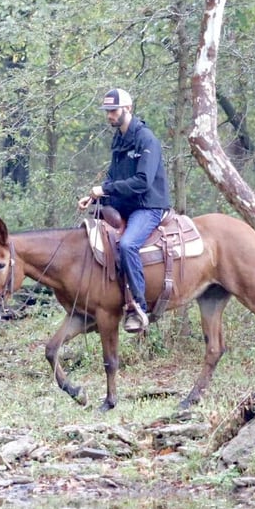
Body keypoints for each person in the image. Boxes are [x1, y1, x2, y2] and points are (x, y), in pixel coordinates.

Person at [78, 88, 171, 333]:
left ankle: (138, 307)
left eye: (113, 110)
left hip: (148, 205)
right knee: (92, 231)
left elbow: (143, 181)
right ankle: (99, 298)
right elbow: (113, 175)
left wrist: (105, 189)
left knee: (128, 245)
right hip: (127, 203)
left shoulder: (146, 139)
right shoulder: (118, 138)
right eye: (107, 111)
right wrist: (94, 196)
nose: (109, 115)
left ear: (128, 109)